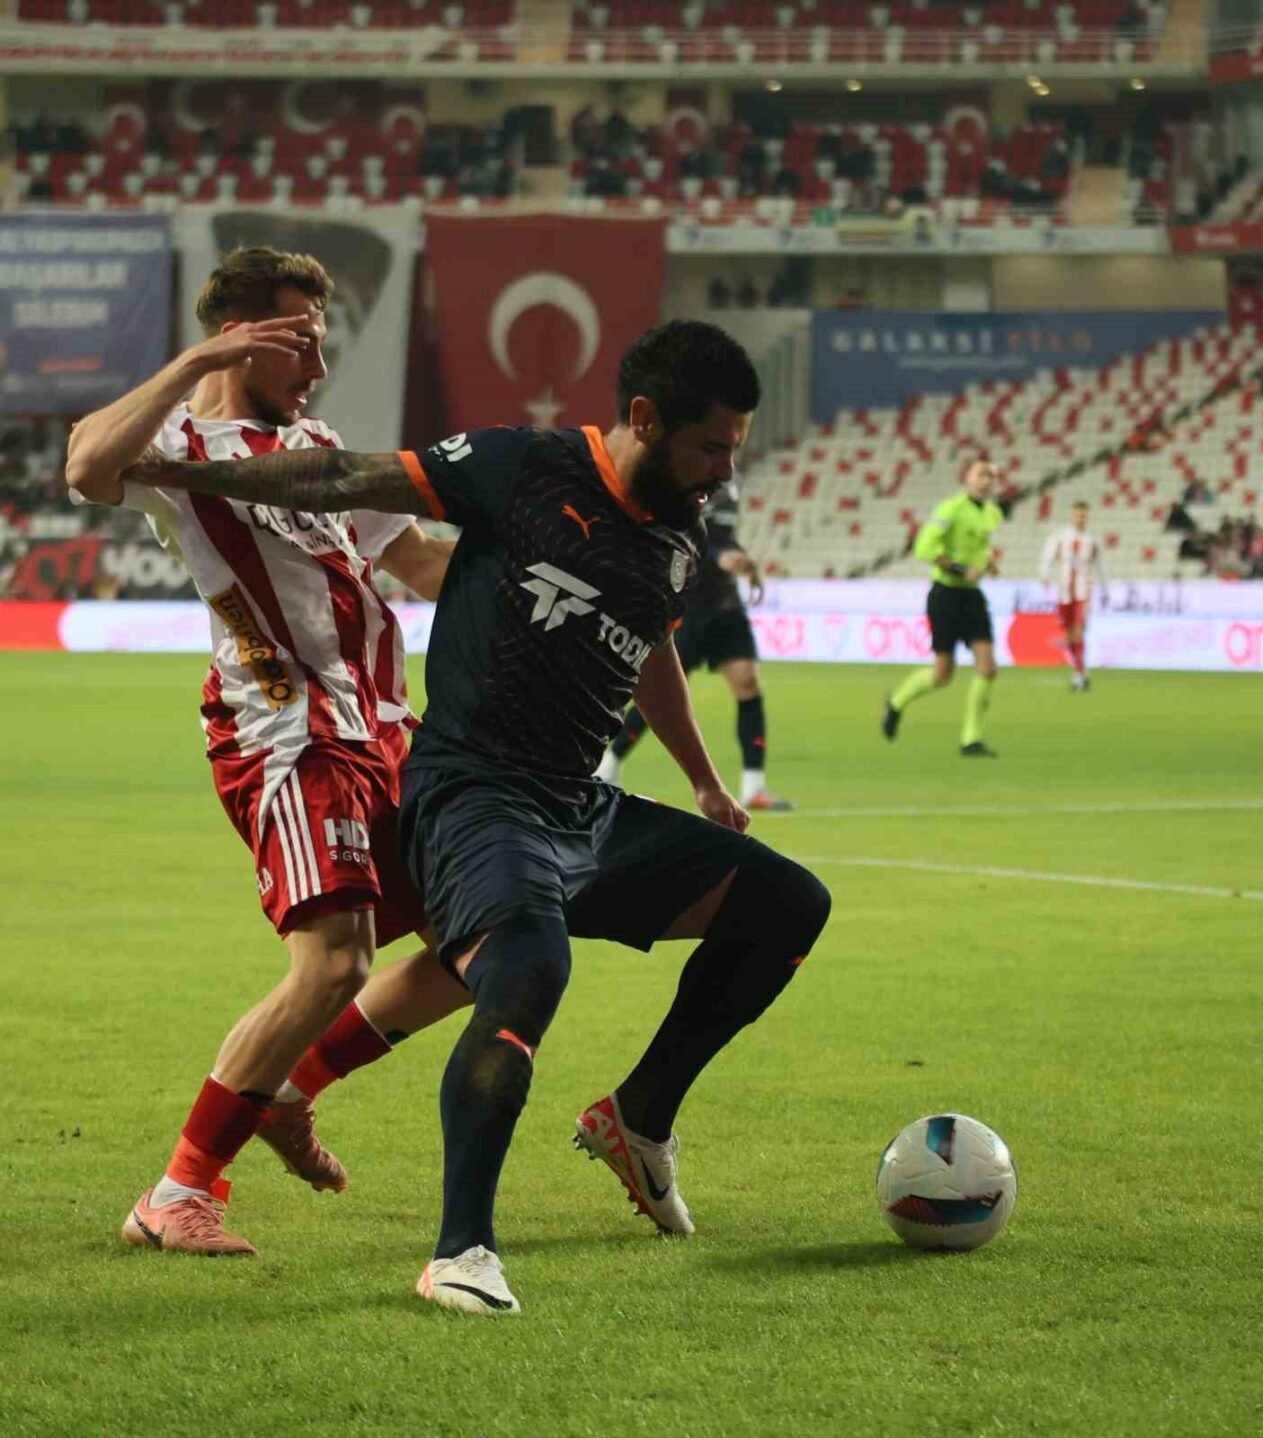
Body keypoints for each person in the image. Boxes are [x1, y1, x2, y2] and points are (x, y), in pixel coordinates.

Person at [125, 320, 832, 1314]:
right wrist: (192, 476)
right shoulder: (522, 467)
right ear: (642, 418)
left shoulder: (677, 531)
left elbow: (651, 647)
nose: (724, 470)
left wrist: (707, 781)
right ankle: (459, 1252)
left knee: (788, 904)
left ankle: (637, 1118)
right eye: (710, 446)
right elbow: (343, 480)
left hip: (576, 803)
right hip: (470, 792)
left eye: (733, 449)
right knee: (526, 965)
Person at [66, 246, 470, 1258]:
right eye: (301, 343)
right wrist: (195, 361)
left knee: (486, 941)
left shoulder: (315, 445)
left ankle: (288, 1089)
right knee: (333, 962)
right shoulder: (176, 441)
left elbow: (419, 560)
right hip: (291, 733)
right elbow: (83, 466)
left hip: (384, 732)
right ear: (239, 337)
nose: (319, 367)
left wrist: (550, 559)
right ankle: (175, 1193)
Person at [596, 482, 794, 811]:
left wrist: (742, 562)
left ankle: (754, 786)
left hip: (725, 605)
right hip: (689, 604)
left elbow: (721, 536)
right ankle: (609, 765)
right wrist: (717, 557)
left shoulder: (727, 486)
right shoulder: (685, 478)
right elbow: (681, 533)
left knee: (747, 682)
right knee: (662, 692)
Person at [881, 458, 1003, 757]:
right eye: (981, 475)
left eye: (990, 476)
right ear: (967, 478)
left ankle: (971, 739)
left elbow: (980, 546)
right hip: (945, 595)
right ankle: (896, 702)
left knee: (988, 668)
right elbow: (923, 547)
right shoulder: (950, 509)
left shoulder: (992, 513)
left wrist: (988, 562)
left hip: (972, 596)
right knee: (942, 674)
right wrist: (960, 569)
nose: (986, 481)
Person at [1040, 499, 1107, 692]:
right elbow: (1048, 556)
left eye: (1084, 515)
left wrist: (1105, 588)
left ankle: (1079, 675)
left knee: (1078, 632)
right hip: (1064, 593)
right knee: (1070, 636)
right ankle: (1081, 671)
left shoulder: (1091, 541)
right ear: (1071, 516)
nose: (1080, 518)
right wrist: (1044, 575)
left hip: (1083, 592)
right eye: (1078, 514)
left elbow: (1100, 566)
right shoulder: (1060, 537)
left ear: (1088, 517)